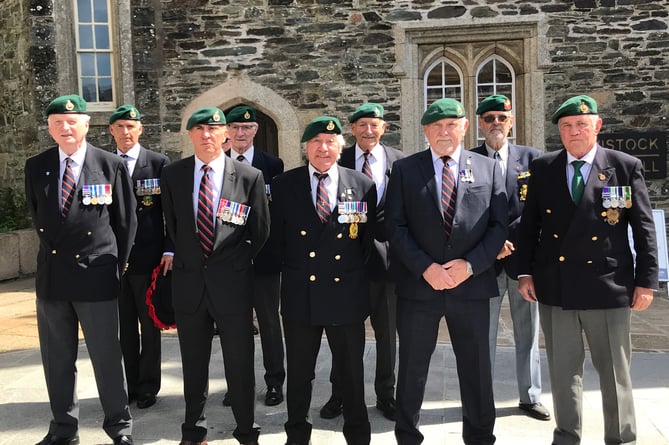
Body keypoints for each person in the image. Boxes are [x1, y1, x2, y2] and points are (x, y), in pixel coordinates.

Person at [516, 94, 658, 445]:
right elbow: (528, 225)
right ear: (559, 133)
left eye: (582, 124)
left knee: (614, 373)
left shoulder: (624, 166)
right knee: (563, 372)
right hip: (556, 286)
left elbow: (643, 228)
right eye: (566, 126)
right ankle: (566, 435)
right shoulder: (544, 168)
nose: (574, 131)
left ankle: (621, 438)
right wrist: (524, 272)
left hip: (607, 284)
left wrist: (647, 282)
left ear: (597, 126)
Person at [385, 98, 507, 445]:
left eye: (451, 124)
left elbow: (498, 226)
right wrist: (426, 268)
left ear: (465, 127)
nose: (444, 132)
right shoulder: (406, 170)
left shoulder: (487, 168)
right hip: (419, 287)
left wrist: (471, 265)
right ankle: (407, 435)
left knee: (477, 369)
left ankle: (481, 437)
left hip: (471, 286)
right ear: (425, 131)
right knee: (411, 369)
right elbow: (395, 226)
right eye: (436, 126)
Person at [24, 94, 137, 445]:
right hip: (53, 278)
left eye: (72, 121)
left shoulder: (109, 165)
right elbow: (37, 216)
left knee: (106, 358)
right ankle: (63, 427)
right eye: (58, 122)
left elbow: (126, 223)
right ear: (50, 128)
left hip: (96, 275)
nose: (65, 127)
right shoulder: (36, 165)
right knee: (57, 360)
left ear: (87, 125)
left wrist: (115, 268)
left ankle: (119, 427)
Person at [161, 106, 269, 445]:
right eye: (199, 130)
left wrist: (234, 264)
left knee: (240, 364)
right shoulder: (173, 175)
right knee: (194, 365)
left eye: (213, 129)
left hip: (232, 285)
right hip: (190, 284)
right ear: (190, 135)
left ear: (224, 135)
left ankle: (246, 429)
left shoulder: (249, 177)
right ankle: (194, 430)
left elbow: (261, 231)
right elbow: (175, 228)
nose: (207, 135)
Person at [271, 116, 377, 445]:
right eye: (316, 141)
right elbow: (275, 240)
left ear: (340, 147)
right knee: (301, 375)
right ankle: (297, 437)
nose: (323, 148)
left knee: (351, 375)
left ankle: (358, 436)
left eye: (330, 141)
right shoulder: (284, 185)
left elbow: (369, 242)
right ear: (305, 147)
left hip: (346, 294)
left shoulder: (361, 184)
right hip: (301, 294)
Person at [320, 102, 404, 421]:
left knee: (386, 334)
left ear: (384, 128)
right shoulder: (336, 161)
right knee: (344, 333)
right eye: (362, 125)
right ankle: (340, 393)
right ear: (352, 129)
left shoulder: (401, 162)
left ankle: (386, 393)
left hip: (388, 263)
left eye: (375, 124)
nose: (369, 131)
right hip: (346, 262)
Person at [469, 95, 550, 421]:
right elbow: (464, 212)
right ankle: (482, 396)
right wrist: (491, 244)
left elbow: (539, 212)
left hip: (523, 262)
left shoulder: (534, 160)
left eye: (502, 117)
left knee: (528, 333)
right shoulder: (468, 159)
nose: (495, 124)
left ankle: (530, 396)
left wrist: (513, 242)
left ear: (511, 122)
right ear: (480, 124)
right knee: (481, 335)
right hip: (484, 263)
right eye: (489, 118)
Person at [109, 104, 173, 410]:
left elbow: (171, 213)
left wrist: (169, 248)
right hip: (115, 261)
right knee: (124, 328)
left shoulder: (158, 163)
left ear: (140, 129)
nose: (125, 133)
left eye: (130, 127)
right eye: (119, 127)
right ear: (111, 131)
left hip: (150, 260)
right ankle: (130, 385)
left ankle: (149, 387)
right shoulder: (105, 163)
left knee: (150, 327)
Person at [223, 105, 285, 407]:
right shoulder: (218, 164)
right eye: (234, 128)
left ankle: (275, 382)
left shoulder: (272, 164)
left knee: (270, 322)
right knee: (234, 325)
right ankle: (237, 384)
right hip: (229, 260)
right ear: (227, 131)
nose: (240, 133)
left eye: (246, 128)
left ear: (255, 131)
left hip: (265, 258)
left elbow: (277, 215)